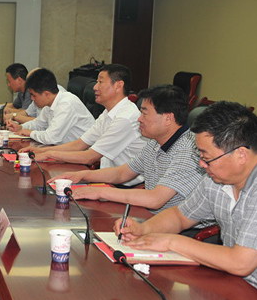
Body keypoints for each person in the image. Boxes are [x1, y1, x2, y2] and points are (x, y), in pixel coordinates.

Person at [116, 102, 257, 300]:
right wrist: (144, 228)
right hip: (239, 286)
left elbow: (241, 262)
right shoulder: (219, 177)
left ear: (240, 154)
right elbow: (180, 216)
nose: (202, 164)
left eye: (206, 156)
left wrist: (172, 241)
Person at [52, 85, 203, 212]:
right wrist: (82, 175)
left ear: (168, 118)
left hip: (181, 229)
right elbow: (122, 173)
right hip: (152, 216)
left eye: (144, 113)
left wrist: (99, 192)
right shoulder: (156, 142)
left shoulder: (189, 151)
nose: (139, 119)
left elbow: (155, 199)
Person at [24, 64, 146, 185]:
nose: (95, 87)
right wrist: (41, 151)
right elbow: (80, 144)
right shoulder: (108, 112)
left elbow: (89, 157)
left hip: (127, 186)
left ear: (118, 85)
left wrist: (48, 154)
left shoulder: (125, 117)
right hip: (108, 178)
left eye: (100, 82)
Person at [6, 68, 93, 145]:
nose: (32, 99)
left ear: (46, 94)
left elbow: (51, 138)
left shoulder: (66, 104)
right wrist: (20, 127)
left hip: (84, 153)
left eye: (33, 95)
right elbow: (38, 124)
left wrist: (29, 133)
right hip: (65, 148)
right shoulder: (49, 103)